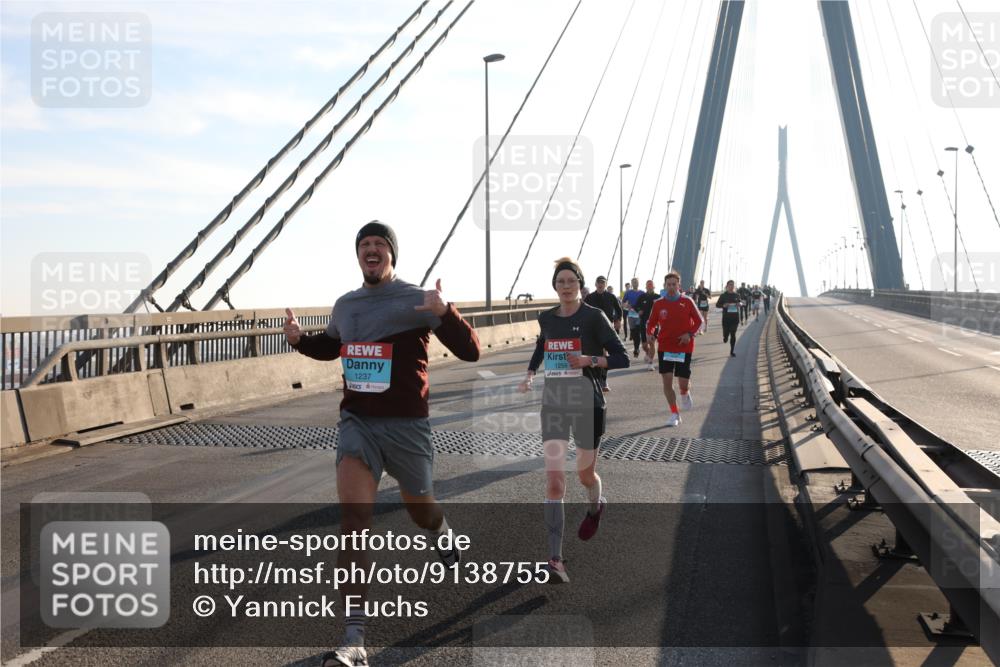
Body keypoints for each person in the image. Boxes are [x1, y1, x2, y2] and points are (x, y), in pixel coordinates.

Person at [284, 221, 481, 667]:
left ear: (392, 255)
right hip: (358, 424)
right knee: (354, 520)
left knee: (422, 510)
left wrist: (445, 312)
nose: (371, 250)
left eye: (380, 244)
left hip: (408, 427)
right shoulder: (346, 305)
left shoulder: (416, 299)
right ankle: (354, 639)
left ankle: (441, 531)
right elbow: (331, 346)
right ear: (358, 255)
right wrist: (299, 342)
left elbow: (471, 351)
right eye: (364, 244)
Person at [518, 257, 629, 583]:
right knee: (554, 480)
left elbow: (620, 356)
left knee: (584, 474)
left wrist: (588, 360)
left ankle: (596, 506)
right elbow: (542, 346)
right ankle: (555, 560)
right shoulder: (546, 317)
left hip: (588, 403)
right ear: (555, 286)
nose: (565, 287)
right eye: (560, 282)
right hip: (553, 404)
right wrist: (529, 374)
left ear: (580, 285)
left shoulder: (594, 317)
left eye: (571, 281)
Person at [647, 272, 703, 427]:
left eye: (674, 284)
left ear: (679, 285)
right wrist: (649, 333)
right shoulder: (658, 304)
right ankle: (674, 413)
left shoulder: (688, 301)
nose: (671, 287)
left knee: (683, 383)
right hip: (665, 346)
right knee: (667, 381)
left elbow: (699, 321)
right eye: (668, 284)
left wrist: (690, 334)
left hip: (683, 347)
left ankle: (685, 393)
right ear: (665, 286)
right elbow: (651, 323)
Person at [584, 276, 623, 392]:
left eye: (603, 283)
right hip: (593, 329)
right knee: (595, 355)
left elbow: (619, 309)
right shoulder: (590, 297)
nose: (600, 285)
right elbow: (583, 311)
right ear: (595, 284)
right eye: (599, 283)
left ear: (605, 285)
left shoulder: (611, 297)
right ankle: (595, 379)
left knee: (605, 355)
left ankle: (604, 380)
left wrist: (618, 320)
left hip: (608, 329)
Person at [636, 279, 659, 370]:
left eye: (651, 285)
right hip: (643, 322)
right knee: (645, 345)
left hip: (654, 324)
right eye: (648, 285)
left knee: (652, 342)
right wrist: (639, 311)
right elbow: (636, 306)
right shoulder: (642, 297)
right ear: (646, 287)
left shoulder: (658, 297)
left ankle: (650, 363)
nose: (649, 286)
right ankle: (648, 353)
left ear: (654, 286)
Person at [716, 279, 742, 357]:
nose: (731, 286)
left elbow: (740, 302)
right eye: (730, 285)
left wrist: (739, 304)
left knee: (733, 333)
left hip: (735, 318)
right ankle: (725, 336)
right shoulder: (723, 295)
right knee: (726, 334)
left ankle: (732, 351)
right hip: (726, 318)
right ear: (727, 286)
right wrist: (723, 305)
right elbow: (717, 305)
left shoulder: (737, 295)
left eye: (732, 285)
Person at [622, 278, 642, 345]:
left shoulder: (642, 292)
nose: (635, 283)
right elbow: (623, 302)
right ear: (631, 284)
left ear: (638, 283)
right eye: (633, 282)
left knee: (638, 330)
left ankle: (636, 348)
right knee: (633, 331)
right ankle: (635, 342)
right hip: (631, 315)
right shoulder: (628, 293)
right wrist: (627, 306)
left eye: (636, 282)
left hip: (639, 315)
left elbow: (646, 302)